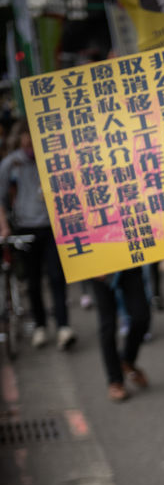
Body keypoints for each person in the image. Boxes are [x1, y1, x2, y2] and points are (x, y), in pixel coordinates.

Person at [0, 119, 76, 351]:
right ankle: (40, 326)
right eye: (27, 143)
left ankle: (63, 326)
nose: (31, 148)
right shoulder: (11, 164)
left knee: (56, 276)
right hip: (25, 227)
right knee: (33, 281)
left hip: (51, 226)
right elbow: (1, 197)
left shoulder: (52, 159)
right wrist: (5, 226)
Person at [91, 268, 151, 402]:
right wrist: (90, 265)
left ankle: (127, 360)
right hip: (97, 265)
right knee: (108, 326)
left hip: (127, 263)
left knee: (141, 316)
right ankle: (115, 381)